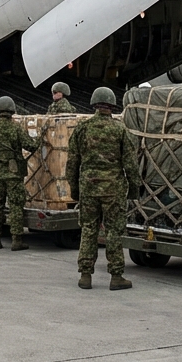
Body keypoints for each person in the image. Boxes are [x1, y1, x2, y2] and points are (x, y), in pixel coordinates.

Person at [67, 86, 141, 291]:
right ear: (111, 105)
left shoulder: (82, 129)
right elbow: (131, 165)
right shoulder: (120, 130)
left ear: (94, 104)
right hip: (113, 190)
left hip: (88, 189)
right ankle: (116, 276)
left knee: (89, 229)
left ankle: (85, 275)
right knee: (114, 231)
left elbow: (72, 162)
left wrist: (74, 189)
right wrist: (134, 190)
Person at [0, 96, 38, 251]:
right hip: (14, 174)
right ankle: (16, 240)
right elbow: (30, 146)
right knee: (15, 206)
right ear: (12, 110)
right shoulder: (16, 128)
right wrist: (39, 139)